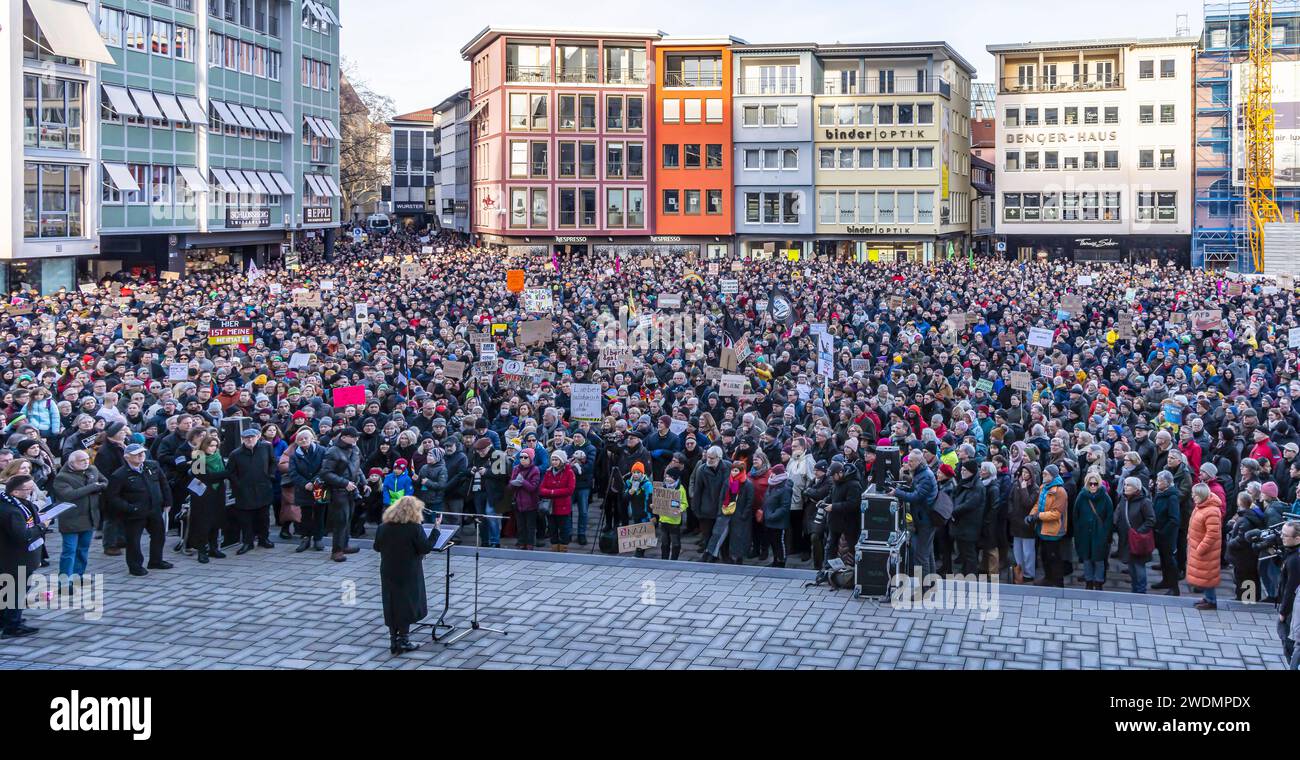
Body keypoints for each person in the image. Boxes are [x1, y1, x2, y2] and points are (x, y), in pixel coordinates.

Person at [374, 495, 438, 655]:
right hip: (408, 572)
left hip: (388, 570)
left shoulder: (383, 527)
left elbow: (376, 547)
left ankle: (393, 641)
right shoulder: (414, 528)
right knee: (406, 604)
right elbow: (425, 548)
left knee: (391, 603)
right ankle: (404, 640)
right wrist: (436, 530)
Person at [104, 444, 173, 577]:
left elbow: (164, 484)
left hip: (154, 509)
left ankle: (156, 560)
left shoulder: (152, 466)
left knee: (159, 535)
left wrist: (168, 501)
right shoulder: (120, 475)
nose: (141, 455)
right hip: (134, 513)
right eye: (137, 454)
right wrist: (130, 508)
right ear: (127, 457)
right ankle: (135, 566)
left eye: (142, 452)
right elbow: (112, 497)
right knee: (133, 540)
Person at [0, 475, 51, 638]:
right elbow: (23, 535)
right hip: (16, 558)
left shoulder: (15, 503)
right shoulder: (12, 511)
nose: (31, 491)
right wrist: (42, 526)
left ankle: (7, 619)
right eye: (28, 489)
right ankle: (12, 625)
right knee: (17, 591)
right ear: (15, 491)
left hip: (11, 557)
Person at [50, 450, 108, 591]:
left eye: (87, 459)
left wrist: (100, 487)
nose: (86, 462)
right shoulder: (62, 478)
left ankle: (78, 576)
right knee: (69, 551)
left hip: (90, 517)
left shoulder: (92, 469)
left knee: (83, 550)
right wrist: (93, 487)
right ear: (72, 463)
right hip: (71, 520)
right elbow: (69, 495)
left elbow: (104, 481)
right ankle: (64, 583)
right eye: (81, 460)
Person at [226, 425, 277, 555]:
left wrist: (270, 476)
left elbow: (273, 462)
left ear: (258, 437)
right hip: (244, 491)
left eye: (252, 437)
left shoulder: (266, 447)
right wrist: (239, 484)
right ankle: (247, 542)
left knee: (264, 517)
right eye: (246, 438)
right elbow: (230, 472)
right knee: (246, 518)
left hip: (263, 487)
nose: (249, 440)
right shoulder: (236, 454)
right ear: (242, 439)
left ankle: (263, 539)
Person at [321, 427, 365, 562]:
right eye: (353, 437)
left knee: (348, 519)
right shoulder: (333, 451)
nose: (356, 439)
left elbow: (357, 468)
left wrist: (364, 482)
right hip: (338, 491)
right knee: (340, 520)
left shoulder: (355, 449)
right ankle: (337, 550)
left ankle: (344, 545)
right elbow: (325, 473)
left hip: (352, 489)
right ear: (344, 437)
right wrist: (344, 483)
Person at [893, 452, 938, 579]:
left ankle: (922, 591)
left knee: (920, 556)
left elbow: (916, 497)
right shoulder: (921, 473)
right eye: (908, 461)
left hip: (925, 520)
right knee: (927, 553)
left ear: (920, 462)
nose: (909, 463)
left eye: (911, 461)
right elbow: (914, 490)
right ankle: (930, 584)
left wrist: (897, 492)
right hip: (923, 518)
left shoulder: (925, 476)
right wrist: (900, 490)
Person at [187, 434, 229, 563]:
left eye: (216, 446)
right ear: (204, 445)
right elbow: (205, 476)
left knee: (216, 521)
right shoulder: (197, 456)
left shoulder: (218, 456)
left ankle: (213, 547)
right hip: (202, 495)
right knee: (203, 523)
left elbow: (218, 474)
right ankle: (202, 550)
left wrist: (223, 474)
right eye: (211, 446)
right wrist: (226, 473)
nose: (213, 448)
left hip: (217, 493)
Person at [1073, 471, 1114, 590]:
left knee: (1099, 559)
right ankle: (1089, 581)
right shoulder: (1081, 496)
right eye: (1090, 484)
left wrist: (1105, 533)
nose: (1092, 486)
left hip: (1099, 534)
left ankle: (1099, 582)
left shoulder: (1106, 498)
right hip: (1085, 533)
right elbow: (1076, 515)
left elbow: (1109, 518)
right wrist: (1078, 532)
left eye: (1095, 484)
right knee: (1086, 558)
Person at [1115, 476, 1157, 594]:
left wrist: (1138, 532)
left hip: (1138, 540)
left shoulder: (1144, 502)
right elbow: (1118, 513)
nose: (1125, 487)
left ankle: (1141, 591)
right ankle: (1135, 590)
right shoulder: (1124, 499)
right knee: (1131, 566)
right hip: (1126, 539)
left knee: (1139, 566)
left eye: (1128, 485)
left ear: (1136, 488)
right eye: (1125, 484)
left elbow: (1151, 520)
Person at [1186, 483, 1223, 611]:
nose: (1192, 497)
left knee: (1208, 576)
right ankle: (1208, 598)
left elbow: (1212, 534)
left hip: (1206, 551)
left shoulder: (1211, 511)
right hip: (1199, 548)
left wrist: (1200, 548)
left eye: (1194, 495)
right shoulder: (1201, 506)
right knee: (1205, 576)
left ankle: (1211, 601)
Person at [289, 429, 326, 553]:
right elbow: (293, 473)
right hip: (303, 489)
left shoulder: (322, 451)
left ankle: (318, 538)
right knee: (305, 515)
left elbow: (325, 469)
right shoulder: (294, 455)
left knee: (319, 514)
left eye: (306, 438)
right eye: (300, 439)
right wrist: (305, 484)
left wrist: (314, 482)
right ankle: (305, 538)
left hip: (319, 487)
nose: (303, 440)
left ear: (312, 439)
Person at [1032, 464, 1068, 587]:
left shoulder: (1060, 491)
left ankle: (1058, 582)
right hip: (1042, 529)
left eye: (1046, 474)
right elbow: (1038, 504)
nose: (1043, 475)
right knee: (1045, 556)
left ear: (1052, 476)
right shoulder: (1043, 487)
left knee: (1054, 558)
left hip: (1053, 531)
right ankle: (1048, 578)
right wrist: (1032, 514)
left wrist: (1039, 516)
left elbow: (1056, 514)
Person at [539, 450, 575, 551]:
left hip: (563, 505)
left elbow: (570, 489)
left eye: (556, 459)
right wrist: (550, 492)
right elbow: (542, 488)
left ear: (562, 460)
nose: (554, 462)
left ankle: (563, 547)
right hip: (550, 506)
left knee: (564, 529)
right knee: (552, 528)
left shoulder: (569, 472)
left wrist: (553, 492)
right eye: (553, 459)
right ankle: (554, 547)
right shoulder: (548, 472)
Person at [1277, 521, 1300, 668]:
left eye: (1285, 535)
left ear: (1297, 539)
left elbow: (1291, 589)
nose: (1281, 537)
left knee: (1288, 643)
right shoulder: (1292, 553)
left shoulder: (1295, 560)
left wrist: (1283, 612)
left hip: (1293, 611)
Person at [510, 448, 543, 550]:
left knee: (530, 526)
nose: (523, 459)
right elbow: (511, 483)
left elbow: (533, 487)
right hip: (518, 502)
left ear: (531, 458)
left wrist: (522, 481)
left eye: (525, 457)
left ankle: (530, 544)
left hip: (531, 503)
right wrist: (514, 483)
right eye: (521, 457)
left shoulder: (535, 470)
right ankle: (521, 542)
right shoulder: (516, 468)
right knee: (520, 525)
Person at [761, 463, 792, 568]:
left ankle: (781, 561)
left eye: (773, 473)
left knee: (779, 542)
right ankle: (775, 560)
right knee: (772, 542)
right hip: (769, 519)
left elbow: (785, 507)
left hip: (778, 521)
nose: (771, 475)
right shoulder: (772, 483)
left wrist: (772, 516)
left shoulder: (785, 487)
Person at [656, 467, 689, 560]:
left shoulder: (680, 489)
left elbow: (684, 503)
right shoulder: (662, 487)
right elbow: (658, 500)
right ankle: (664, 559)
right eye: (666, 476)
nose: (667, 479)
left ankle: (674, 559)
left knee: (675, 542)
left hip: (674, 521)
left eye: (670, 477)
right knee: (664, 542)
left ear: (675, 478)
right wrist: (654, 505)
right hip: (663, 520)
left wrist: (680, 509)